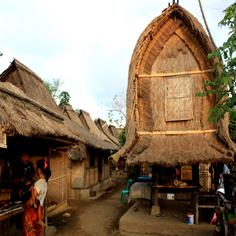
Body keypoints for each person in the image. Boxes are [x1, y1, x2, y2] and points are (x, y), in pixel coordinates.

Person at [22, 159, 51, 236]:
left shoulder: (38, 183)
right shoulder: (45, 183)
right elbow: (40, 201)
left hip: (31, 214)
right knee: (38, 233)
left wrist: (25, 206)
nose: (36, 171)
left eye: (37, 169)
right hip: (39, 213)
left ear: (40, 170)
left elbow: (32, 201)